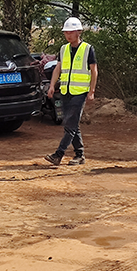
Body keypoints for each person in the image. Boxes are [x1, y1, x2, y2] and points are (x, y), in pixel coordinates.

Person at [44, 17, 99, 166]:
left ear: (79, 32)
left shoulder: (87, 49)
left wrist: (91, 91)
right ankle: (80, 155)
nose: (68, 35)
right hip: (65, 91)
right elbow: (58, 68)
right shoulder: (63, 49)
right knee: (73, 125)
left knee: (69, 125)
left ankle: (58, 154)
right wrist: (52, 85)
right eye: (66, 32)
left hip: (79, 92)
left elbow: (94, 71)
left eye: (71, 32)